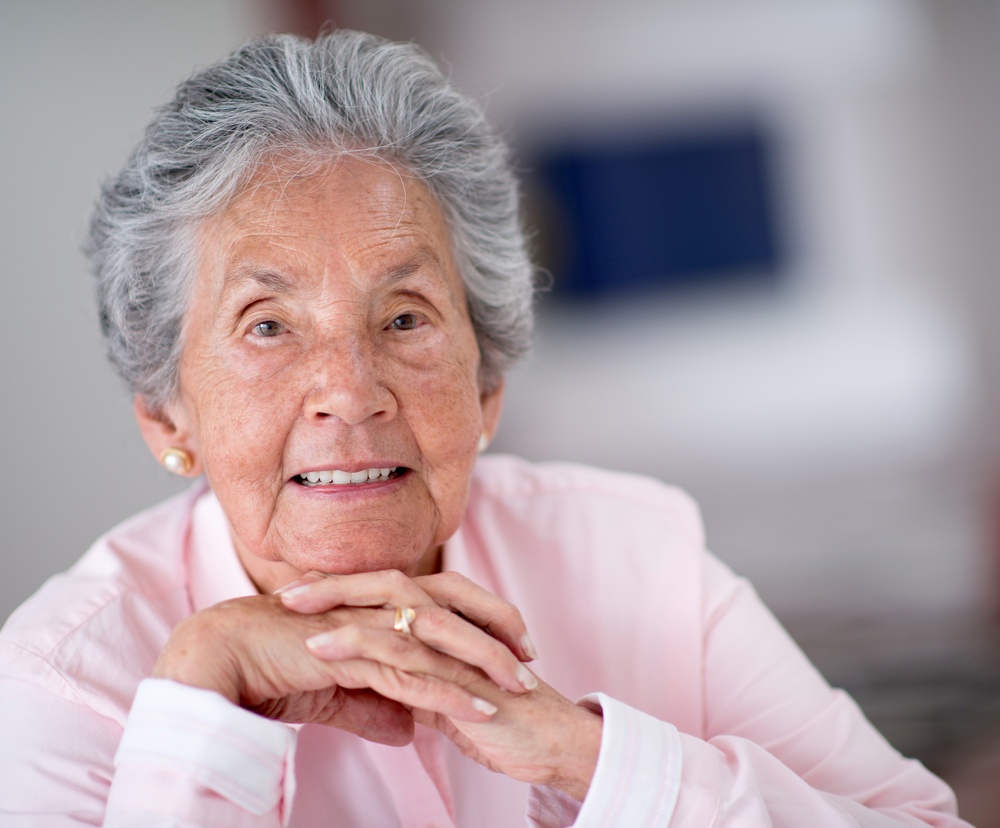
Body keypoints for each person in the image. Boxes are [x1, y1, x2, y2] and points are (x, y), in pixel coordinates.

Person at [0, 29, 970, 827]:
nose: (351, 389)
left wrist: (591, 760)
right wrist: (201, 710)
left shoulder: (637, 552)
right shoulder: (66, 680)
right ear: (166, 414)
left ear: (487, 383)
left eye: (405, 317)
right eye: (268, 326)